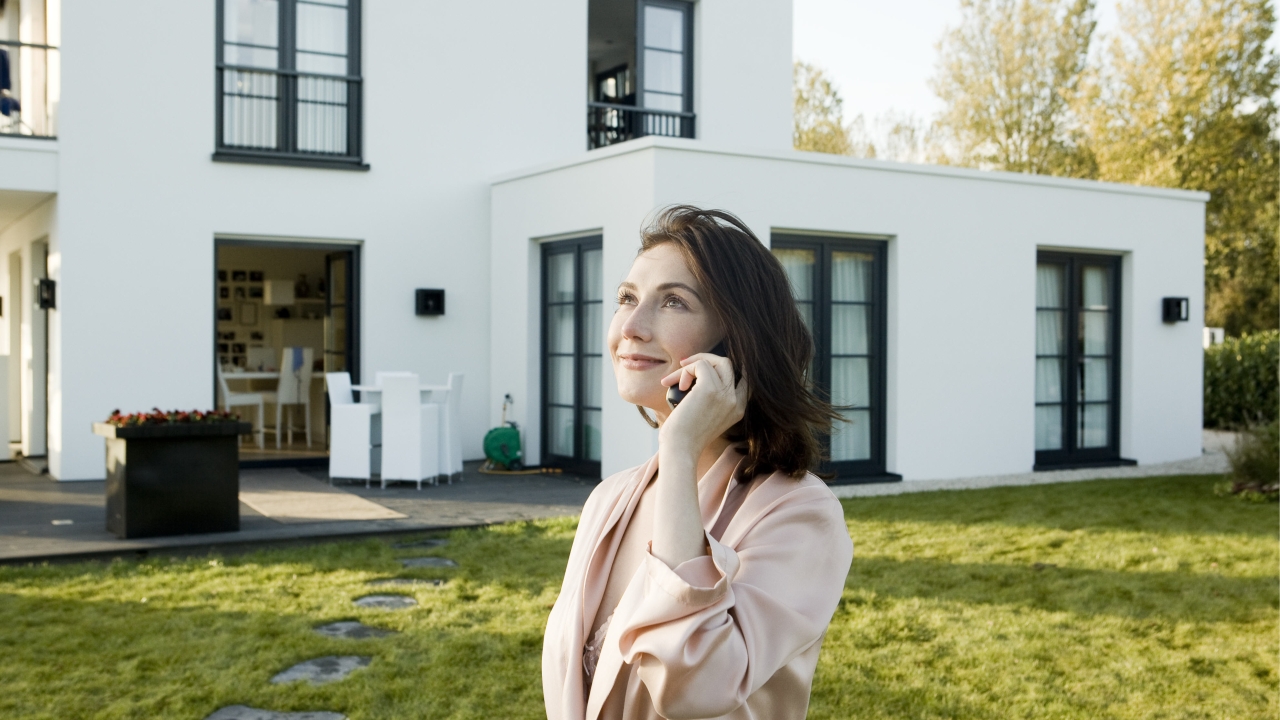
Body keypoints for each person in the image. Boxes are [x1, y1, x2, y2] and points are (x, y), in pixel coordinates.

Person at [542, 206, 854, 720]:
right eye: (627, 298)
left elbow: (697, 691)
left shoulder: (800, 515)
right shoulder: (609, 500)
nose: (632, 327)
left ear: (735, 340)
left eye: (673, 302)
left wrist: (681, 447)